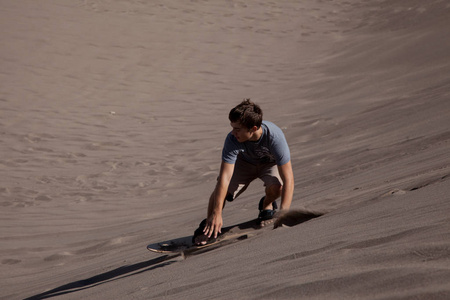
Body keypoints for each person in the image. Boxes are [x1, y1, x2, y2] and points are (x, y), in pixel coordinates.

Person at [193, 99, 294, 245]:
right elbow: (224, 178)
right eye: (232, 127)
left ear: (253, 129)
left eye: (237, 129)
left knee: (278, 187)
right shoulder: (232, 139)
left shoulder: (274, 136)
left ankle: (266, 205)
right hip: (244, 164)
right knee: (221, 191)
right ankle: (210, 224)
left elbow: (288, 178)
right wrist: (217, 213)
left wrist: (284, 214)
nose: (233, 132)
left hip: (268, 165)